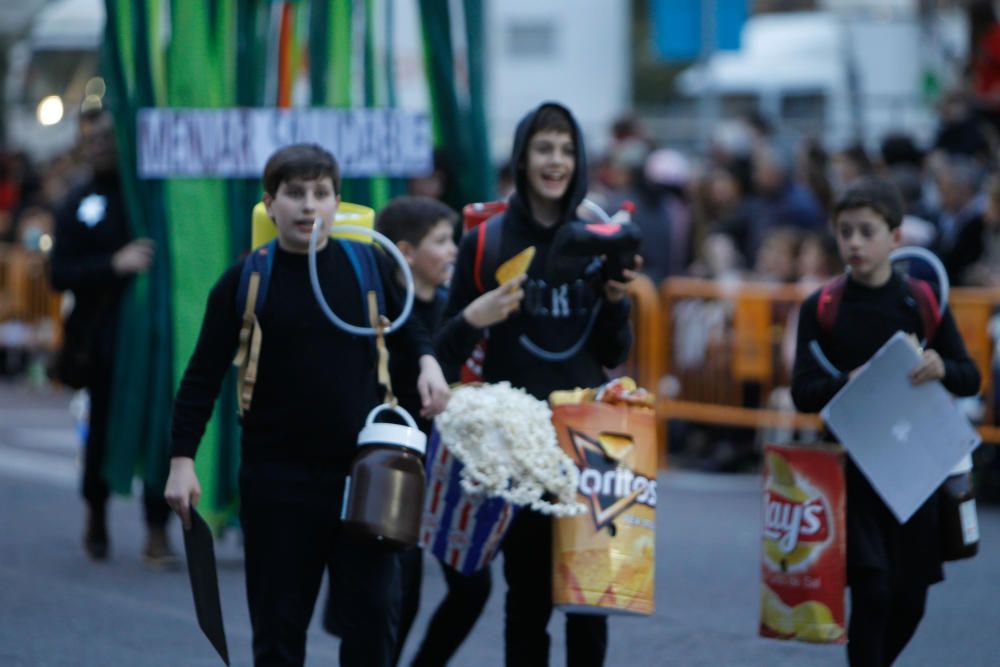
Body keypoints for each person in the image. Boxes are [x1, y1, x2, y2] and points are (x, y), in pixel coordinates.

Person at [164, 144, 450, 667]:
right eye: (294, 194)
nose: (307, 206)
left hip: (364, 478)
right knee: (277, 636)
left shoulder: (368, 265)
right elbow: (201, 378)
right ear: (270, 204)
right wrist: (182, 462)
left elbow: (408, 328)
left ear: (337, 203)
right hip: (277, 483)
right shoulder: (246, 280)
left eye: (320, 193)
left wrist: (428, 362)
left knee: (371, 629)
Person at [434, 101, 637, 666]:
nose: (556, 161)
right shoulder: (485, 241)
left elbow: (613, 354)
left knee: (590, 603)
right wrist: (482, 313)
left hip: (593, 438)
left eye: (567, 149)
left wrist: (618, 304)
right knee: (526, 600)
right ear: (522, 158)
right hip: (516, 441)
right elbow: (445, 343)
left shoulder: (600, 239)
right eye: (544, 148)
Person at [790, 177, 981, 666]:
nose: (854, 243)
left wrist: (941, 366)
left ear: (895, 238)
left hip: (914, 471)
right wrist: (850, 381)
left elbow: (969, 377)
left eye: (866, 231)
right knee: (872, 590)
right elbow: (803, 392)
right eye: (845, 231)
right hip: (850, 472)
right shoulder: (823, 307)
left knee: (911, 601)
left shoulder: (919, 301)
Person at [49, 107, 173, 565]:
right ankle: (96, 515)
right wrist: (112, 265)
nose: (100, 145)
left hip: (154, 341)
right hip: (101, 341)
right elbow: (59, 273)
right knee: (100, 431)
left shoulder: (152, 201)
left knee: (161, 430)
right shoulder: (77, 201)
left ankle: (157, 528)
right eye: (93, 138)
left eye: (109, 136)